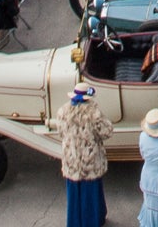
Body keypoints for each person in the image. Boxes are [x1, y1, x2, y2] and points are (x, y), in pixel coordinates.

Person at [58, 82, 113, 227]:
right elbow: (107, 131)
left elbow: (60, 132)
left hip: (71, 157)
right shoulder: (93, 112)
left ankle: (74, 222)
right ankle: (93, 221)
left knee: (74, 192)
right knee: (91, 191)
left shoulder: (63, 110)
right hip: (90, 158)